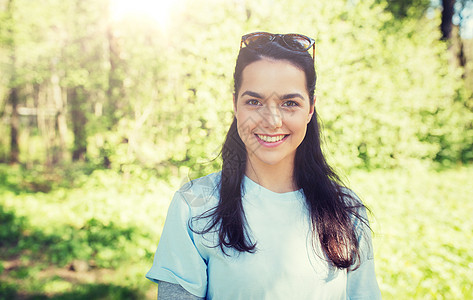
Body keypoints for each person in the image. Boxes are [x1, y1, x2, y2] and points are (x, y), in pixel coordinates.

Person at [146, 32, 382, 299]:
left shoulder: (346, 210)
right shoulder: (194, 205)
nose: (272, 120)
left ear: (311, 108)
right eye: (254, 101)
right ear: (235, 105)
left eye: (289, 103)